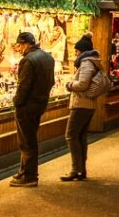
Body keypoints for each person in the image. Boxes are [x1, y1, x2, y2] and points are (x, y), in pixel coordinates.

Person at [10, 31, 55, 187]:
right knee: (30, 138)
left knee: (26, 141)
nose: (19, 49)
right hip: (40, 104)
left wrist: (17, 102)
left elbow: (23, 86)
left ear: (26, 44)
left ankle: (29, 176)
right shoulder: (48, 57)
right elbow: (51, 81)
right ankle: (24, 171)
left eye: (20, 45)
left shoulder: (28, 60)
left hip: (27, 106)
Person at [60, 32, 101, 181]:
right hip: (87, 105)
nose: (74, 53)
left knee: (71, 135)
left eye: (76, 51)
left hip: (82, 104)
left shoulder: (86, 63)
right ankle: (81, 170)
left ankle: (75, 169)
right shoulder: (90, 62)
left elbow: (83, 84)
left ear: (82, 51)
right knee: (80, 136)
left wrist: (70, 85)